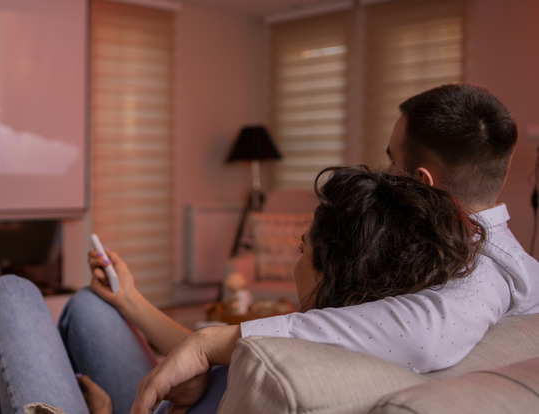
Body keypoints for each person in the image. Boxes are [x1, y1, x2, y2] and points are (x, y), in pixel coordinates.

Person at [130, 83, 539, 412]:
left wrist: (215, 342)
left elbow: (429, 334)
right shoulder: (431, 252)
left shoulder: (484, 271)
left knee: (86, 314)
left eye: (390, 160)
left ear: (420, 181)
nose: (384, 176)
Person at [0, 165, 485, 414]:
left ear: (328, 274)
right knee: (92, 304)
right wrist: (131, 298)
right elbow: (207, 351)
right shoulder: (378, 333)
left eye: (303, 247)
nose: (298, 252)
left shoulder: (289, 368)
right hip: (185, 396)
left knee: (13, 292)